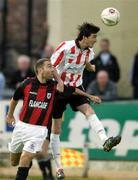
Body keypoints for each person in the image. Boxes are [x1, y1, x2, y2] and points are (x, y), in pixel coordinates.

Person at [6, 58, 101, 180]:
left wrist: (90, 96)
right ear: (40, 70)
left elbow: (72, 90)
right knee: (14, 161)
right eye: (49, 67)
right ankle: (27, 161)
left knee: (25, 157)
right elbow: (15, 98)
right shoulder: (27, 84)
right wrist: (10, 115)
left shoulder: (55, 87)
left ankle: (28, 162)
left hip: (39, 130)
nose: (53, 69)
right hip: (21, 126)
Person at [50, 22, 121, 179]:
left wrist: (89, 66)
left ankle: (105, 140)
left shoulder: (90, 52)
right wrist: (60, 82)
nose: (96, 40)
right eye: (94, 36)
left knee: (89, 110)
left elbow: (84, 59)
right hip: (60, 90)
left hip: (77, 87)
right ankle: (59, 168)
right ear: (84, 37)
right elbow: (51, 65)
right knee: (56, 130)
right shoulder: (66, 47)